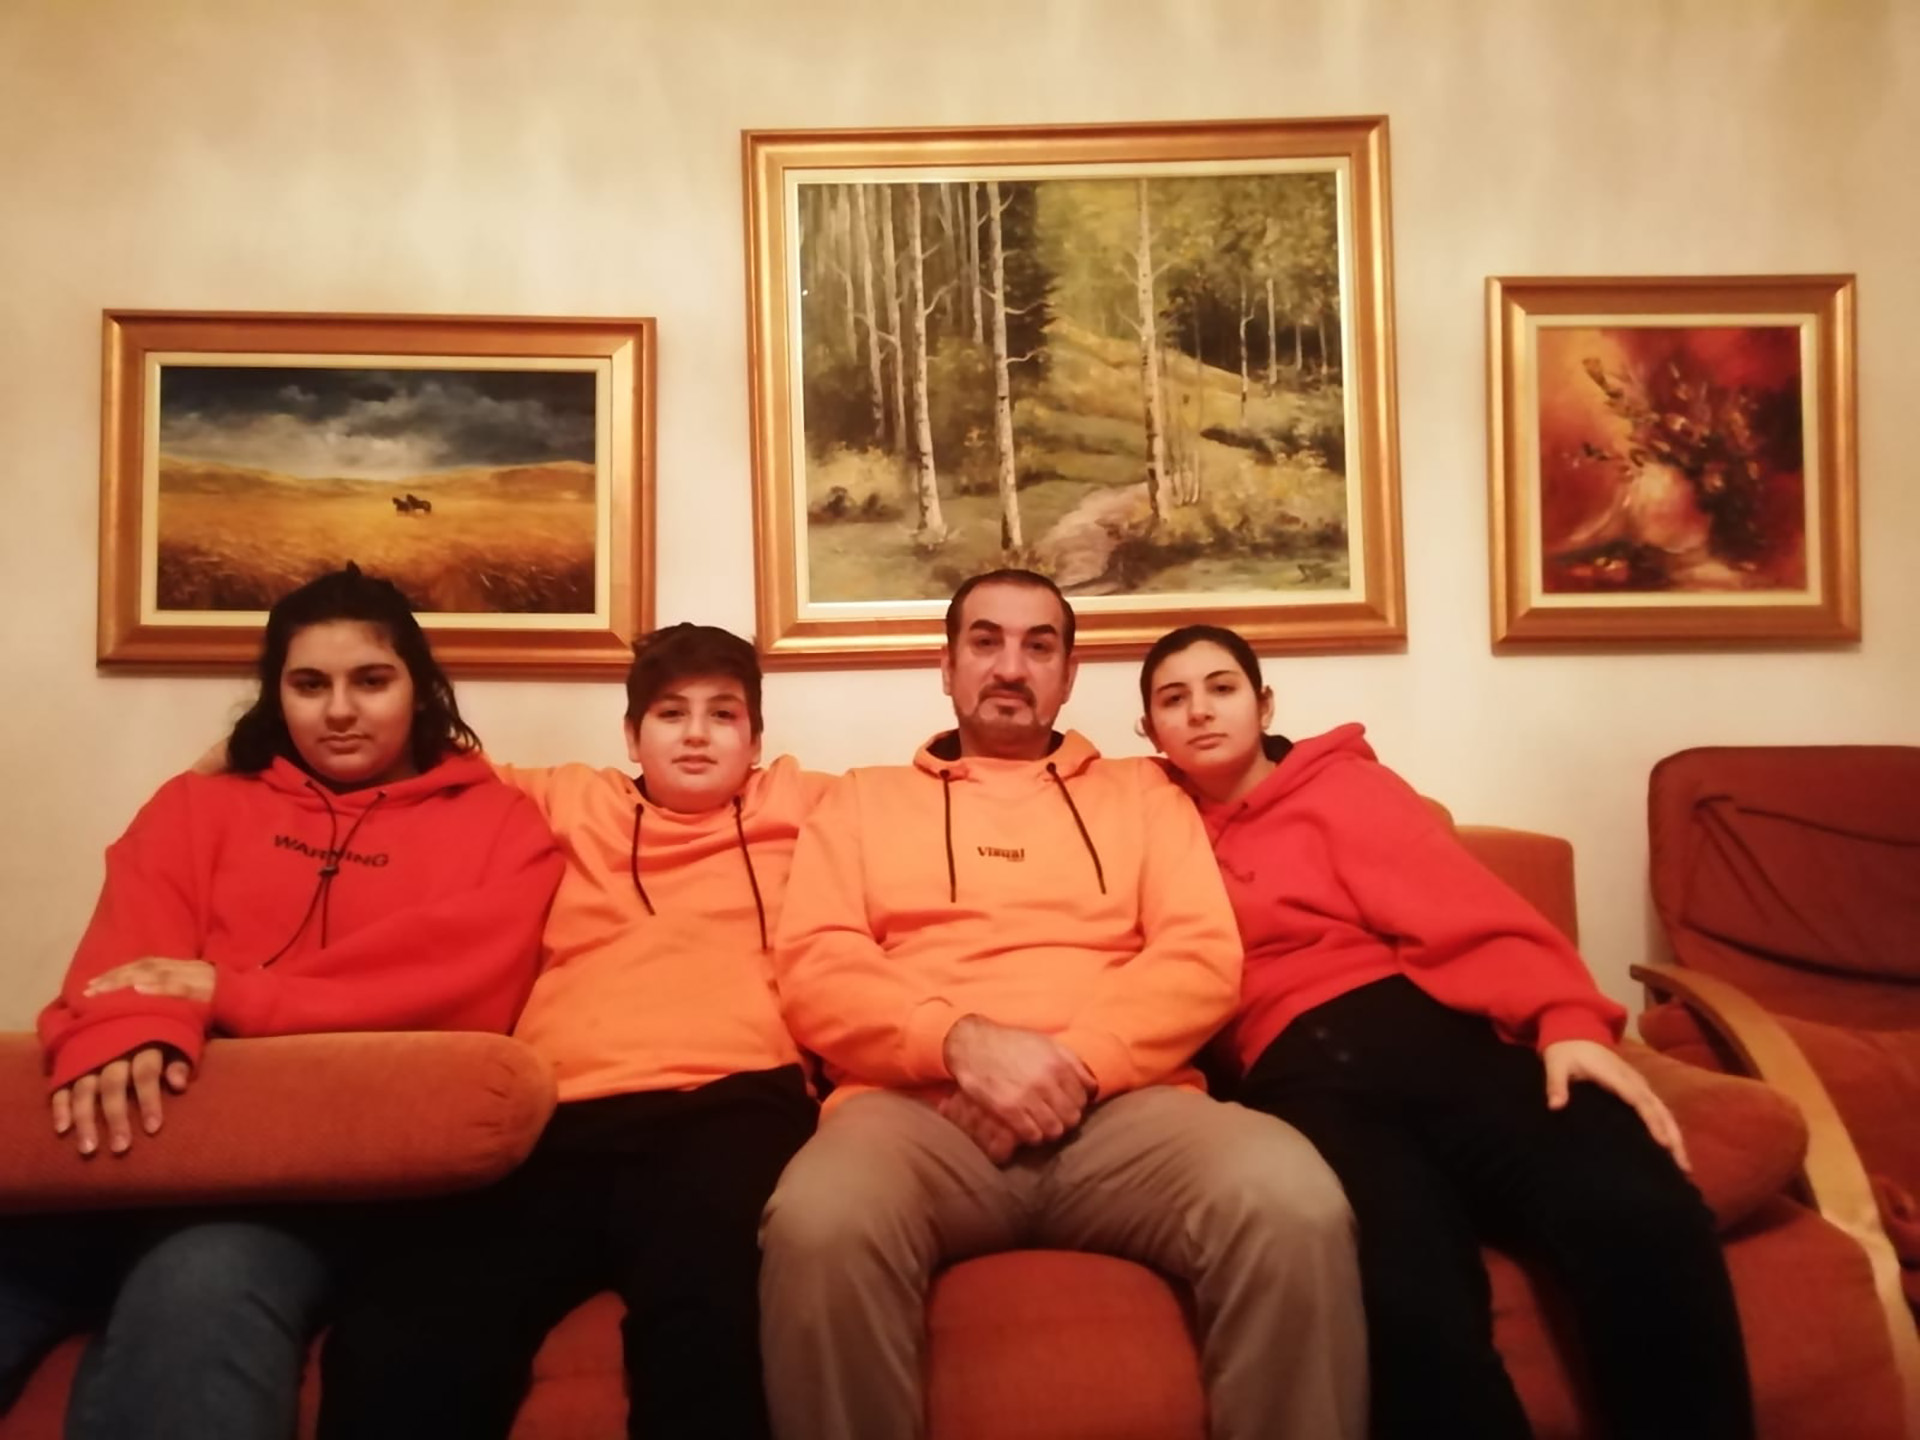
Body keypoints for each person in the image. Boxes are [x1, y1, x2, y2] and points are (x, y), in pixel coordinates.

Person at [760, 570, 1366, 1440]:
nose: (1011, 666)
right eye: (986, 641)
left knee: (1290, 1196)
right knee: (818, 1222)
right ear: (946, 665)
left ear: (1070, 674)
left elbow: (1199, 956)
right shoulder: (857, 800)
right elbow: (818, 965)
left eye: (1039, 645)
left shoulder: (1146, 792)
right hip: (919, 1118)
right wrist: (962, 1044)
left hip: (1125, 1112)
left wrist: (1066, 1067)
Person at [1138, 622, 1753, 1440]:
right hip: (1298, 1076)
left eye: (1222, 687)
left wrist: (1565, 1021)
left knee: (1641, 1206)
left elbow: (1466, 912)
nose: (1201, 712)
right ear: (1149, 731)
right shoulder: (1144, 823)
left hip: (1432, 1029)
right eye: (1173, 699)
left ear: (1264, 702)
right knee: (1405, 1289)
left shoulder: (1344, 791)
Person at [0, 564, 562, 1440]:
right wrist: (141, 1023)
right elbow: (125, 967)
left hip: (319, 1192)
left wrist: (231, 994)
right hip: (133, 1152)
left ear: (420, 690)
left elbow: (459, 991)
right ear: (277, 696)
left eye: (370, 681)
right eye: (309, 684)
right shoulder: (197, 807)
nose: (339, 710)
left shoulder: (501, 827)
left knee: (201, 1279)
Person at [317, 623, 826, 1440]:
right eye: (670, 713)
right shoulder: (566, 798)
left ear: (756, 738)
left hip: (734, 1105)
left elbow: (942, 797)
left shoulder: (806, 803)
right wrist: (226, 761)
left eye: (722, 715)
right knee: (407, 1321)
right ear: (631, 734)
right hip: (554, 1117)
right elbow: (408, 756)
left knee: (707, 1317)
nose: (696, 734)